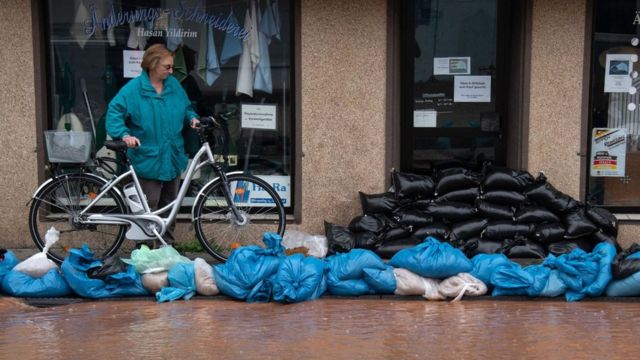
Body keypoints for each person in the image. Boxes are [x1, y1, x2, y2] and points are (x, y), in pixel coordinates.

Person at [106, 43, 199, 245]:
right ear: (153, 64)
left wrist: (192, 118)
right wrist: (124, 134)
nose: (171, 71)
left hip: (172, 156)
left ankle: (167, 248)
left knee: (170, 206)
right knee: (148, 208)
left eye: (171, 66)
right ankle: (145, 252)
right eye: (167, 66)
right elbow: (114, 113)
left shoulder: (173, 85)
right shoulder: (133, 90)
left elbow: (187, 107)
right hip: (147, 158)